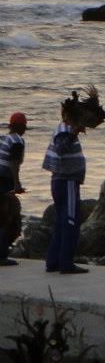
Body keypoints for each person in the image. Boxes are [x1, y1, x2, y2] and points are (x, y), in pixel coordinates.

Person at [43, 97, 91, 274]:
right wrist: (74, 133)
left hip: (61, 181)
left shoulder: (62, 129)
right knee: (71, 221)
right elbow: (61, 148)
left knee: (62, 221)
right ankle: (66, 263)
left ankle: (53, 261)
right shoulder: (64, 130)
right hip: (67, 181)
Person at [0, 112, 27, 266]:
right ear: (21, 127)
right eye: (24, 126)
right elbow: (14, 163)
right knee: (7, 217)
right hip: (5, 181)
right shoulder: (17, 140)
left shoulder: (4, 138)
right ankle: (2, 254)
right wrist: (17, 184)